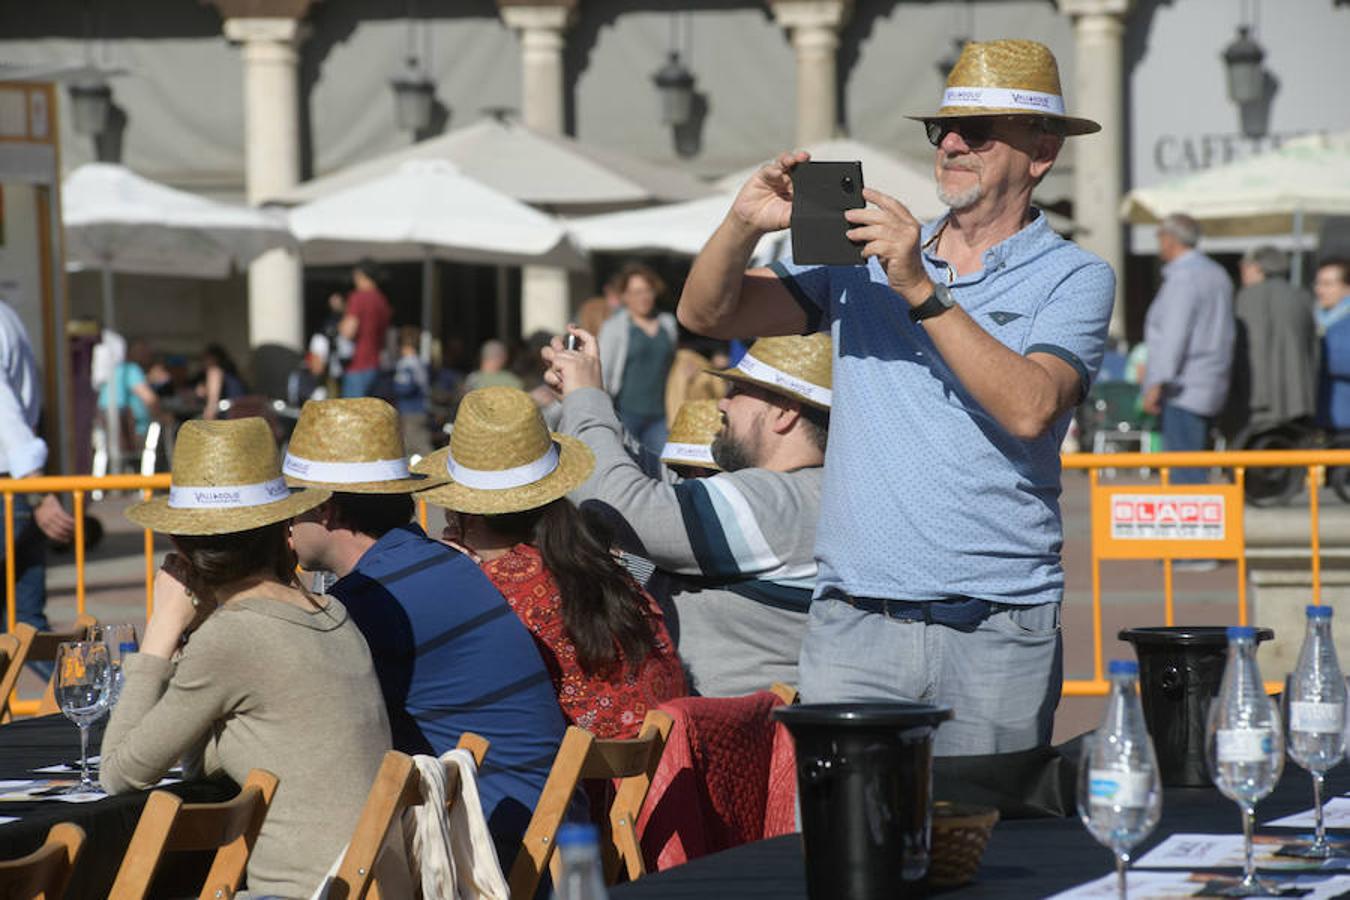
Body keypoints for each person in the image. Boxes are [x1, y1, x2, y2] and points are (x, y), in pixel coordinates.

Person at [675, 39, 1115, 754]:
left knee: (990, 849)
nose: (951, 144)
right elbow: (707, 317)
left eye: (976, 131)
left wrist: (917, 284)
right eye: (940, 129)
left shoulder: (1073, 275)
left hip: (994, 625)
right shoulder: (867, 256)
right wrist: (740, 227)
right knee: (850, 851)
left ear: (1041, 152)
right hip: (857, 623)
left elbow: (1033, 406)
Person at [104, 417, 395, 899]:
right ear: (284, 529)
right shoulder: (332, 611)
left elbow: (119, 773)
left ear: (180, 546)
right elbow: (208, 763)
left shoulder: (236, 635)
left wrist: (161, 633)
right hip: (372, 884)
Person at [282, 397, 568, 858]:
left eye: (292, 503)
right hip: (536, 834)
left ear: (327, 509)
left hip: (493, 853)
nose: (285, 522)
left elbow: (298, 735)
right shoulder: (439, 563)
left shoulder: (372, 601)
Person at [547, 331, 830, 698]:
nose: (722, 405)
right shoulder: (800, 492)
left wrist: (585, 401)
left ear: (784, 412)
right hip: (730, 731)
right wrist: (584, 402)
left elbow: (621, 508)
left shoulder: (782, 502)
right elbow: (658, 493)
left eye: (737, 392)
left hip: (740, 742)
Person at [412, 386, 686, 738]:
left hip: (577, 785)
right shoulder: (602, 563)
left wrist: (467, 580)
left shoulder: (492, 595)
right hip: (659, 773)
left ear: (463, 514)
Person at [1141, 213, 1235, 483]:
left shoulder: (1184, 278)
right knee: (1195, 463)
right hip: (1211, 379)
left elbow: (1174, 334)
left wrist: (1156, 382)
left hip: (1185, 385)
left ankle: (1190, 527)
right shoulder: (1216, 274)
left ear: (1170, 240)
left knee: (1185, 470)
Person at [0, 298, 74, 635]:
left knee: (24, 627)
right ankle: (90, 689)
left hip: (14, 486)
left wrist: (36, 489)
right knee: (26, 626)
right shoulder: (8, 314)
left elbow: (5, 414)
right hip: (18, 490)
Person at [1232, 245, 1317, 435]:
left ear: (1258, 267)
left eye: (1245, 266)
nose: (1242, 271)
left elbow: (1249, 348)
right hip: (1301, 399)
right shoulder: (1301, 296)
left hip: (1262, 403)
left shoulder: (1250, 297)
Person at [598, 264, 679, 454]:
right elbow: (603, 371)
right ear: (625, 296)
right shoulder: (614, 328)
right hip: (627, 414)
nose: (643, 297)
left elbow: (673, 364)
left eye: (647, 291)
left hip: (661, 415)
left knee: (662, 467)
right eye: (636, 292)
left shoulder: (668, 324)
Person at [339, 261, 392, 398]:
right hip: (376, 364)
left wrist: (340, 324)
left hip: (358, 364)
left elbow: (349, 331)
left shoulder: (358, 297)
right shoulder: (382, 300)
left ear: (361, 276)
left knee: (353, 415)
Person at [1315, 259, 1350, 432]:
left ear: (1347, 287)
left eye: (1328, 284)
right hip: (1322, 419)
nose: (1320, 290)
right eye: (1319, 283)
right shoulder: (1318, 320)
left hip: (1344, 420)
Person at [393, 325, 431, 456]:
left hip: (411, 410)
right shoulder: (420, 362)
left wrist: (394, 387)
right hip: (420, 408)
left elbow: (405, 387)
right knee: (411, 442)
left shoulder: (407, 364)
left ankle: (431, 467)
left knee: (416, 443)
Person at [197, 343, 247, 420]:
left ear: (213, 359)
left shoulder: (214, 372)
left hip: (228, 419)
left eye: (204, 359)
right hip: (242, 418)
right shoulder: (232, 375)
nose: (201, 363)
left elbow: (212, 405)